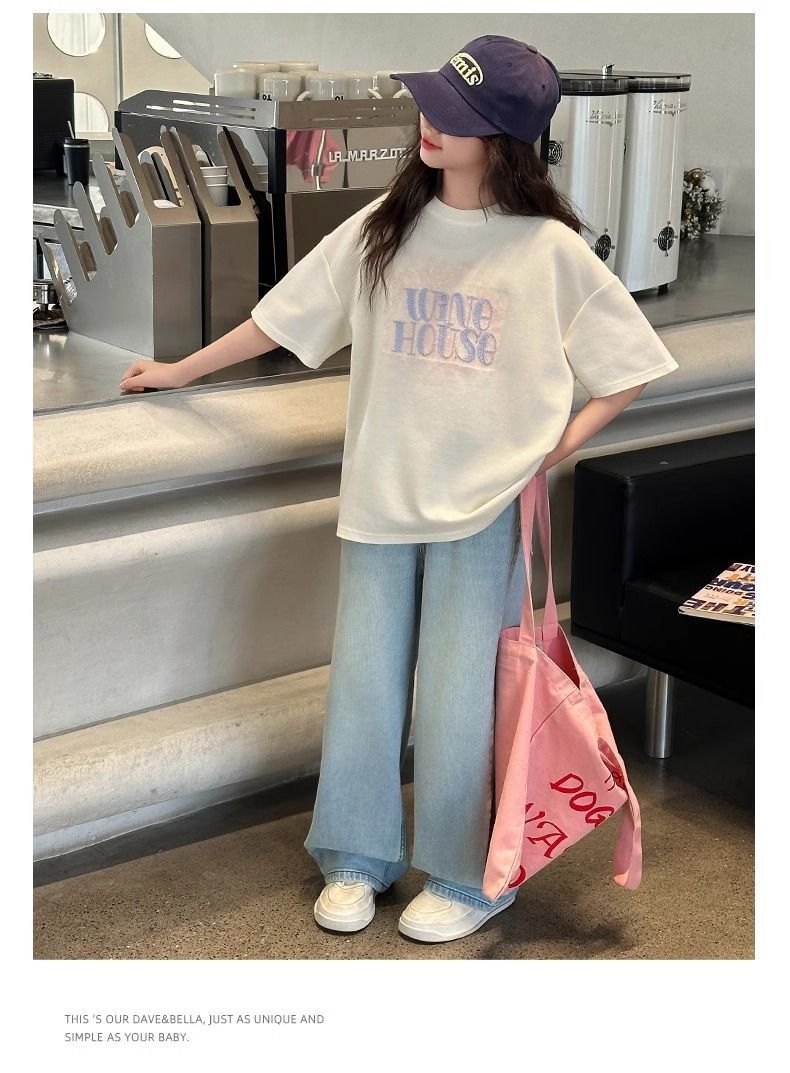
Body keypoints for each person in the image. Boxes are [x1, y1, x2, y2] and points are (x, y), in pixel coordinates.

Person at [119, 35, 680, 944]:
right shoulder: (388, 224)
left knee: (460, 701)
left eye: (455, 115)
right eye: (432, 103)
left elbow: (630, 368)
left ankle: (466, 874)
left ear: (504, 139)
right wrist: (181, 371)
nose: (430, 123)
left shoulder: (549, 251)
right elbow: (282, 315)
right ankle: (356, 854)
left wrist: (551, 450)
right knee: (366, 687)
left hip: (484, 510)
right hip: (382, 495)